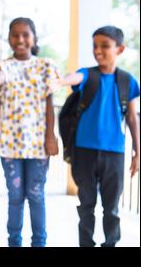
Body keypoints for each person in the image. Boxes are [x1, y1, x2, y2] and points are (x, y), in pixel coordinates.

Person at [0, 17, 60, 247]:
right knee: (14, 197)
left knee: (35, 195)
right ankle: (14, 242)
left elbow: (49, 105)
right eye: (15, 35)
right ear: (9, 38)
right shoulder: (2, 67)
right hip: (9, 144)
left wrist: (50, 137)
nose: (20, 39)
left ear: (34, 38)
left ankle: (39, 243)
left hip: (37, 145)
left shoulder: (46, 66)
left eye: (25, 34)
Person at [54, 25, 140, 247]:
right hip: (84, 152)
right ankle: (86, 244)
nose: (98, 50)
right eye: (95, 46)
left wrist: (137, 153)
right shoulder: (88, 74)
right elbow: (73, 77)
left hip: (115, 153)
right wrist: (61, 80)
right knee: (86, 205)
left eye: (105, 46)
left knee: (111, 208)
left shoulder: (127, 81)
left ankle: (111, 243)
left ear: (120, 49)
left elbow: (132, 117)